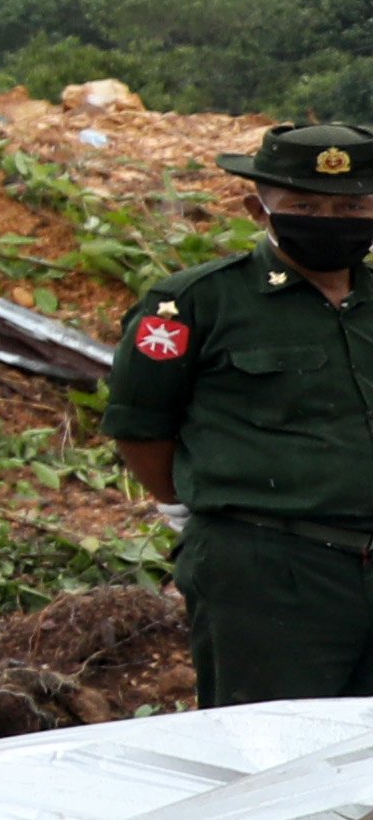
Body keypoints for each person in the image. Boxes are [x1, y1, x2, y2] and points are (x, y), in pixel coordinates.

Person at [104, 120, 373, 702]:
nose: (332, 221)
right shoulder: (195, 303)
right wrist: (181, 506)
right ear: (259, 208)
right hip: (268, 571)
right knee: (273, 764)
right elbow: (140, 426)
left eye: (352, 206)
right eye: (306, 204)